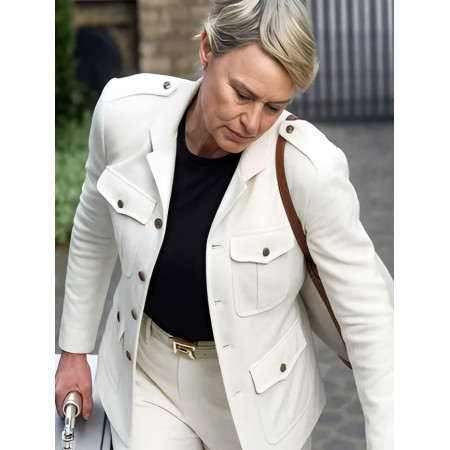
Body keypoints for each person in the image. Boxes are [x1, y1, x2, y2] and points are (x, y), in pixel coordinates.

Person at [55, 0, 393, 449]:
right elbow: (93, 228)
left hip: (260, 400)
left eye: (274, 106)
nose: (252, 122)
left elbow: (370, 319)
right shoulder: (123, 115)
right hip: (147, 378)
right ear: (207, 49)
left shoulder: (310, 169)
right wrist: (74, 349)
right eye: (242, 94)